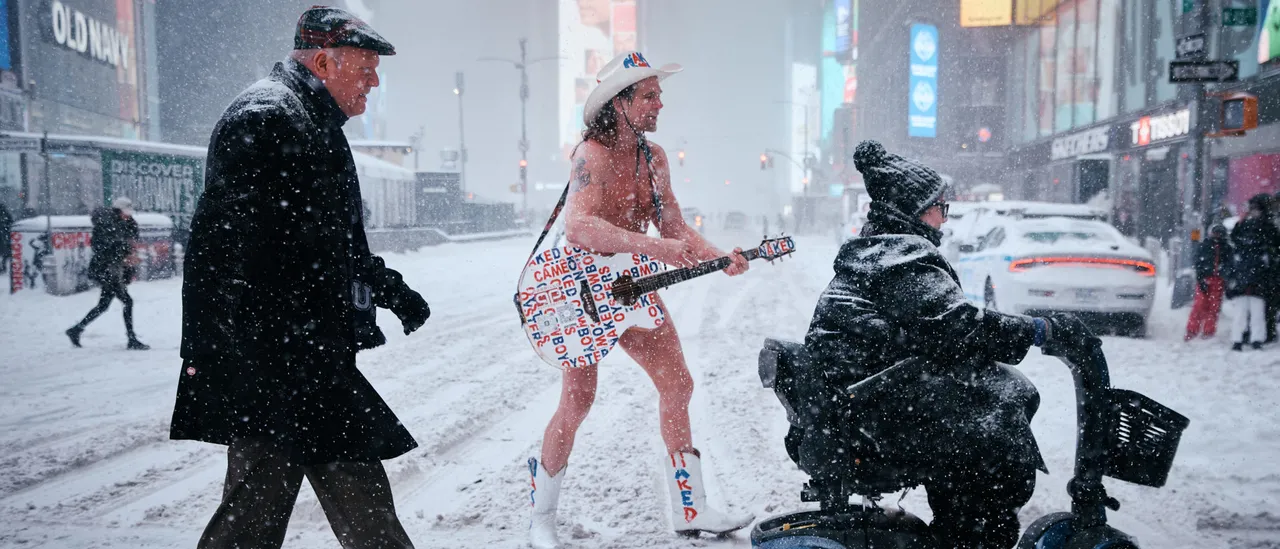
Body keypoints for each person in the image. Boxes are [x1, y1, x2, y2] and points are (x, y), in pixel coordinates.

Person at [168, 7, 430, 549]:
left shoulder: (304, 118)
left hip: (305, 359)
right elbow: (219, 251)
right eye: (365, 69)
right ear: (323, 62)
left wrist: (390, 290)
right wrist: (222, 353)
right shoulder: (266, 118)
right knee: (260, 513)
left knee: (343, 503)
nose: (374, 82)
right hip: (276, 364)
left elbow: (324, 244)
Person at [804, 141, 1097, 549]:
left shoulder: (882, 252)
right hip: (877, 414)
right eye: (940, 207)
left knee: (999, 398)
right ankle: (968, 533)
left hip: (861, 405)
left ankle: (966, 524)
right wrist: (1039, 330)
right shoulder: (900, 258)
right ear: (913, 209)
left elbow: (939, 327)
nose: (944, 218)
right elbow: (958, 328)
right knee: (993, 432)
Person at [527, 51, 753, 549]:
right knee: (577, 401)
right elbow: (579, 226)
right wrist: (655, 248)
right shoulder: (591, 153)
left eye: (659, 94)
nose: (659, 104)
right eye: (649, 95)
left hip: (633, 286)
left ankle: (691, 509)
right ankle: (540, 518)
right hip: (583, 291)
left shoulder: (655, 158)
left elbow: (672, 224)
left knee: (678, 384)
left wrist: (719, 256)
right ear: (620, 102)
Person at [66, 197, 148, 350]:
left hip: (114, 270)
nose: (129, 214)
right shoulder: (106, 224)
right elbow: (103, 247)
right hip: (107, 270)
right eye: (126, 211)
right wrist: (124, 253)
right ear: (119, 211)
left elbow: (128, 242)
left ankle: (76, 330)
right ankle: (131, 338)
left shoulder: (126, 224)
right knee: (127, 302)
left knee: (103, 305)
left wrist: (128, 253)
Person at [1225, 194, 1280, 351]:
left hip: (1258, 277)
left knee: (1258, 312)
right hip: (1251, 276)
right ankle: (1245, 337)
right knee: (1246, 312)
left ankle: (1255, 337)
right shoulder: (1247, 227)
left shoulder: (1264, 228)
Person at [1185, 225, 1231, 341]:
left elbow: (1229, 265)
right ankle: (1192, 330)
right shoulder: (1204, 246)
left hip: (1218, 280)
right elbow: (1198, 263)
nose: (1217, 236)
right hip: (1206, 278)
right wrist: (1200, 279)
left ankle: (1208, 332)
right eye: (1216, 233)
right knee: (1199, 305)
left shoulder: (1226, 248)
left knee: (1213, 307)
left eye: (1219, 234)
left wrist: (1224, 275)